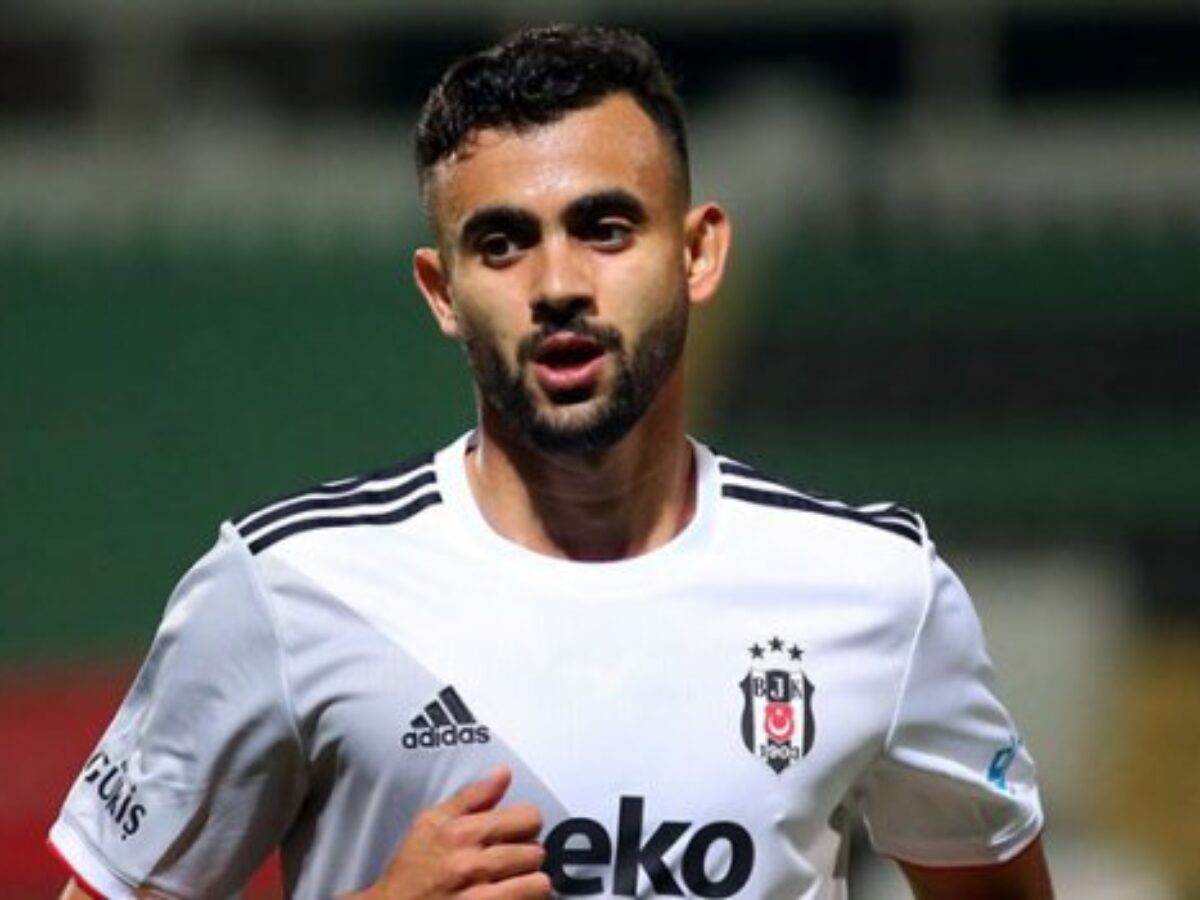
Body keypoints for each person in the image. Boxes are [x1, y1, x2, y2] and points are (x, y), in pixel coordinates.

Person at [52, 24, 1053, 900]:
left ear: (698, 253)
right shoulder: (285, 590)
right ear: (441, 291)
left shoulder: (876, 589)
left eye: (605, 229)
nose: (558, 283)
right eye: (501, 244)